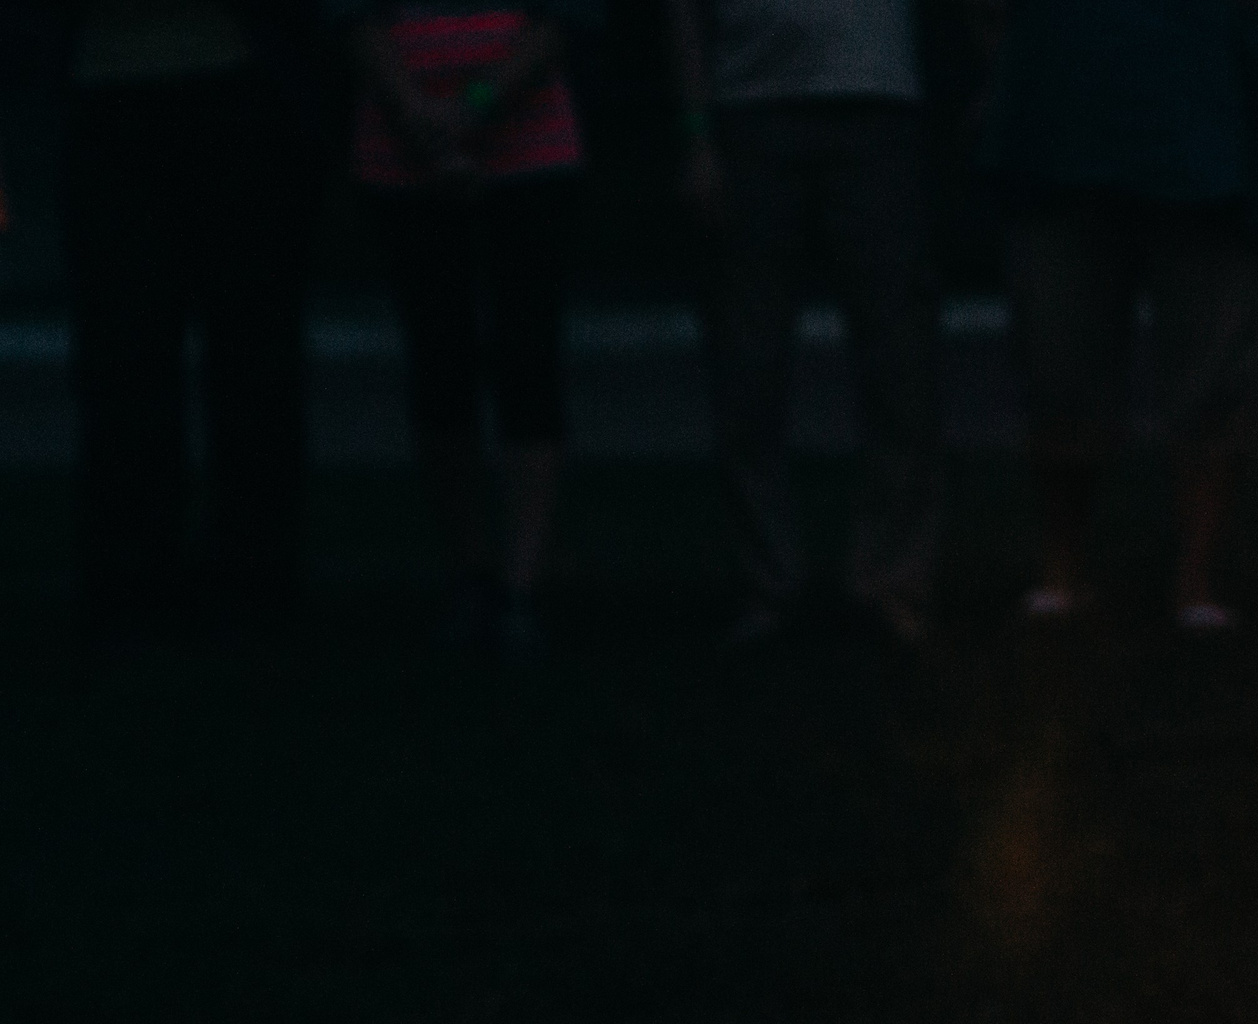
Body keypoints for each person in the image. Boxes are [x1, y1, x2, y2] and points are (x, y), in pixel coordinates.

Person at [975, 0, 1258, 633]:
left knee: (1211, 372)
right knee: (1058, 368)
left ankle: (1197, 581)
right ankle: (1062, 570)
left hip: (1206, 121)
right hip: (1062, 125)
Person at [660, 0, 943, 647]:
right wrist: (697, 132)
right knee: (747, 361)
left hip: (877, 106)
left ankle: (893, 584)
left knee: (898, 353)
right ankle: (767, 585)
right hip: (751, 110)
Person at [334, 0, 596, 652]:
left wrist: (476, 101)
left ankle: (519, 586)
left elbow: (561, 20)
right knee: (439, 361)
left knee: (527, 359)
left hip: (529, 150)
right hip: (401, 156)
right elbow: (350, 16)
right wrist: (417, 111)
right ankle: (473, 575)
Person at [60, 0, 324, 638]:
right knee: (127, 351)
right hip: (113, 91)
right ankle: (137, 577)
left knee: (250, 347)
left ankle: (249, 574)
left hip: (233, 80)